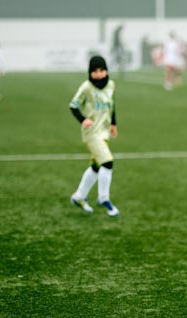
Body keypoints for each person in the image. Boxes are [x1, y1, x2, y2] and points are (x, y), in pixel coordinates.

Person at [69, 56, 120, 217]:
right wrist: (83, 120)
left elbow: (112, 105)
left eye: (101, 70)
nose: (98, 74)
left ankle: (79, 196)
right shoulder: (86, 87)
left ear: (106, 71)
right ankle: (103, 198)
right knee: (107, 162)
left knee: (97, 166)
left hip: (104, 132)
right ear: (90, 72)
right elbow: (73, 105)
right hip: (91, 133)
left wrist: (113, 124)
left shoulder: (111, 85)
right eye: (95, 71)